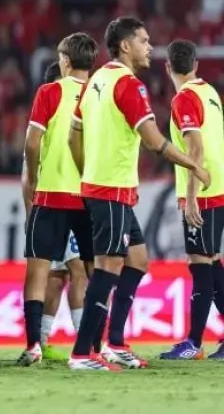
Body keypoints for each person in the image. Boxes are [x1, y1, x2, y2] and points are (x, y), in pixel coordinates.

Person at [68, 18, 210, 370]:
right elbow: (153, 140)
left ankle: (114, 342)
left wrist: (88, 170)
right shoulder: (129, 85)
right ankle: (83, 352)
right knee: (108, 266)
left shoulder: (96, 79)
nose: (150, 47)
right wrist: (193, 165)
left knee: (137, 259)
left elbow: (74, 135)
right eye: (144, 41)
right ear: (126, 46)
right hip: (111, 188)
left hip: (101, 185)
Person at [18, 34, 98, 366]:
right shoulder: (101, 95)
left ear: (64, 60)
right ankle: (92, 345)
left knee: (38, 271)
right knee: (96, 271)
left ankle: (34, 345)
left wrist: (35, 181)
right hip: (91, 195)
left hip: (51, 193)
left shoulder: (50, 92)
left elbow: (32, 143)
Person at [161, 40, 224, 360]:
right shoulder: (210, 93)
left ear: (167, 67)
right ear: (196, 66)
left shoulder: (184, 99)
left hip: (205, 192)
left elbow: (195, 149)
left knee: (200, 263)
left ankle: (193, 344)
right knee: (210, 262)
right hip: (218, 188)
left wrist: (191, 197)